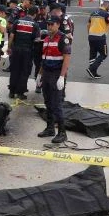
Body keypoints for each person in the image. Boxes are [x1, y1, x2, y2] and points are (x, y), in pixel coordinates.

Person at [37, 16, 72, 144]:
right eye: (48, 24)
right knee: (48, 102)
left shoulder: (63, 38)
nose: (49, 27)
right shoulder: (46, 38)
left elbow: (67, 58)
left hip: (56, 74)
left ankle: (62, 133)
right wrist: (40, 74)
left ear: (58, 25)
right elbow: (44, 58)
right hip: (46, 73)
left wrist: (62, 77)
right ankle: (50, 128)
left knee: (57, 104)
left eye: (52, 24)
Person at [8, 3, 40, 99]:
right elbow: (37, 40)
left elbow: (11, 36)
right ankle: (20, 92)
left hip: (16, 49)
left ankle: (12, 91)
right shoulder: (35, 25)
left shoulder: (17, 22)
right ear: (35, 14)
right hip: (27, 51)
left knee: (14, 70)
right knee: (24, 71)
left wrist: (9, 48)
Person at [86, 0, 109, 79]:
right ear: (107, 5)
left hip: (91, 36)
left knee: (93, 53)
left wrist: (89, 34)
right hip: (100, 37)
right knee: (104, 54)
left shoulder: (93, 13)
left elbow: (88, 25)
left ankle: (93, 72)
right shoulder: (106, 14)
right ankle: (91, 69)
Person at [33, 4, 49, 92]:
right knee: (38, 65)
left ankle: (46, 84)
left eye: (44, 9)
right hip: (38, 45)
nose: (42, 10)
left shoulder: (50, 18)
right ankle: (38, 84)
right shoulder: (36, 19)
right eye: (41, 9)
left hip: (47, 45)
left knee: (47, 64)